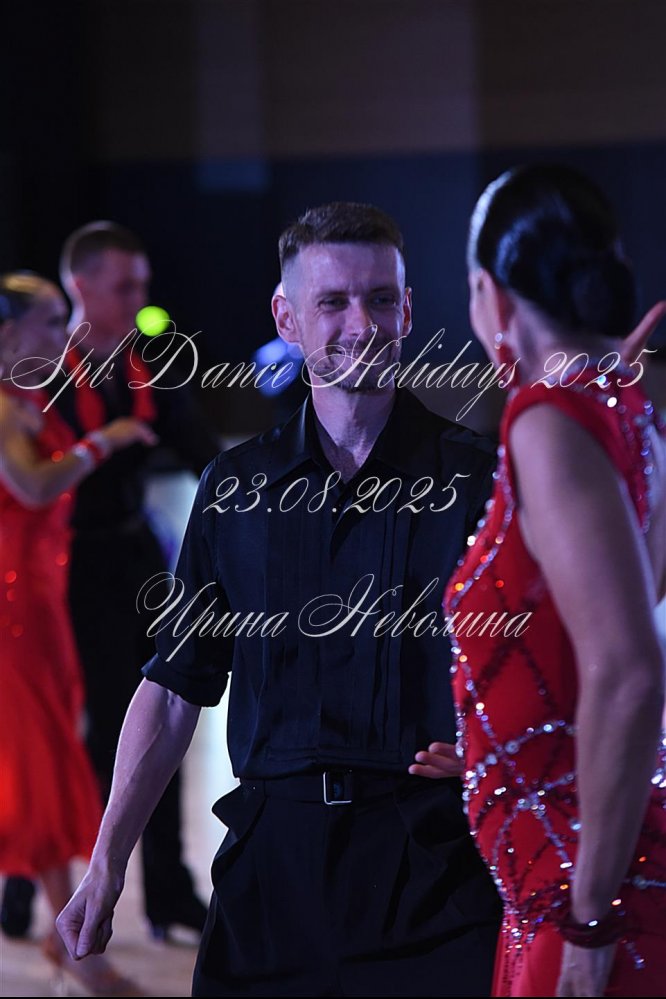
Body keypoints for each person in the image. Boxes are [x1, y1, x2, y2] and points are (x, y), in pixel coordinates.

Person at [57, 202, 502, 996]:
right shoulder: (236, 489)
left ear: (408, 309)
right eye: (333, 301)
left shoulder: (479, 478)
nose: (361, 324)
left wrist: (494, 758)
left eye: (379, 298)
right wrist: (106, 862)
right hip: (271, 874)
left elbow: (572, 657)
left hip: (436, 878)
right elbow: (174, 689)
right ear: (286, 317)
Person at [444, 164, 666, 997]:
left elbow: (631, 670)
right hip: (569, 871)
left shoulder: (547, 420)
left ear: (492, 296)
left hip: (583, 886)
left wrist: (590, 916)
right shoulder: (619, 409)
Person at [0, 223, 222, 942]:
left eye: (142, 285)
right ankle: (32, 877)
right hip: (62, 570)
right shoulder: (38, 368)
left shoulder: (142, 365)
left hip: (134, 556)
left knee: (163, 710)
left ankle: (169, 892)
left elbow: (201, 450)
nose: (138, 300)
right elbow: (28, 484)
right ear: (81, 286)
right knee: (68, 728)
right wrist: (104, 442)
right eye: (125, 286)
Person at [0, 271, 153, 995]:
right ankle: (72, 944)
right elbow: (32, 487)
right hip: (13, 607)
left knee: (48, 748)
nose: (62, 332)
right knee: (42, 757)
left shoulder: (26, 399)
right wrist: (102, 443)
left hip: (40, 596)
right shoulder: (4, 408)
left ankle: (66, 939)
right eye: (50, 319)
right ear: (9, 333)